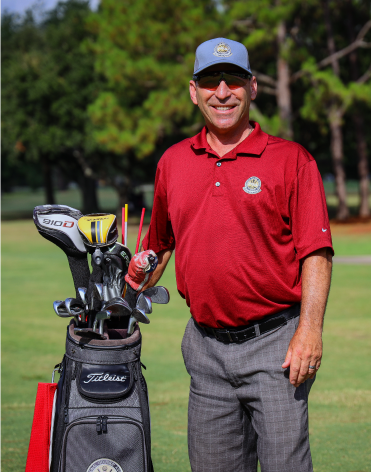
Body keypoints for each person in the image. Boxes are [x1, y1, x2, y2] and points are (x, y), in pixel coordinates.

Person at [126, 37, 333, 472]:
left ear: (252, 87)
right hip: (205, 352)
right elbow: (160, 244)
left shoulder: (292, 160)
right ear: (193, 91)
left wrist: (310, 330)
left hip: (277, 349)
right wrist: (140, 273)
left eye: (233, 80)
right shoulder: (173, 162)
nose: (222, 92)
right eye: (210, 82)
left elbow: (316, 251)